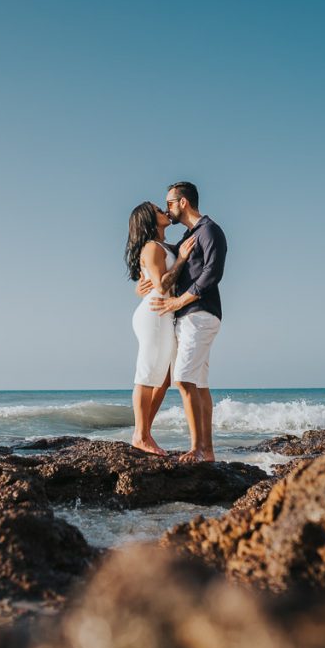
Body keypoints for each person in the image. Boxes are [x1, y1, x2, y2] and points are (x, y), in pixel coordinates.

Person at [139, 182, 227, 462]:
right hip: (187, 317)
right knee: (198, 383)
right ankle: (208, 450)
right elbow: (165, 266)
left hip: (200, 313)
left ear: (184, 203)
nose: (167, 208)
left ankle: (197, 448)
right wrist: (143, 282)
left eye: (170, 203)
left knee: (183, 379)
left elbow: (212, 273)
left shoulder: (209, 230)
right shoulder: (188, 237)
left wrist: (179, 301)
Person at [124, 202, 196, 456]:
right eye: (157, 209)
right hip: (154, 314)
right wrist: (183, 259)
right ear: (148, 219)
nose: (164, 211)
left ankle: (143, 433)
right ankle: (140, 435)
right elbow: (162, 286)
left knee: (164, 379)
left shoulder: (164, 246)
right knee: (147, 373)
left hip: (164, 314)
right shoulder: (152, 247)